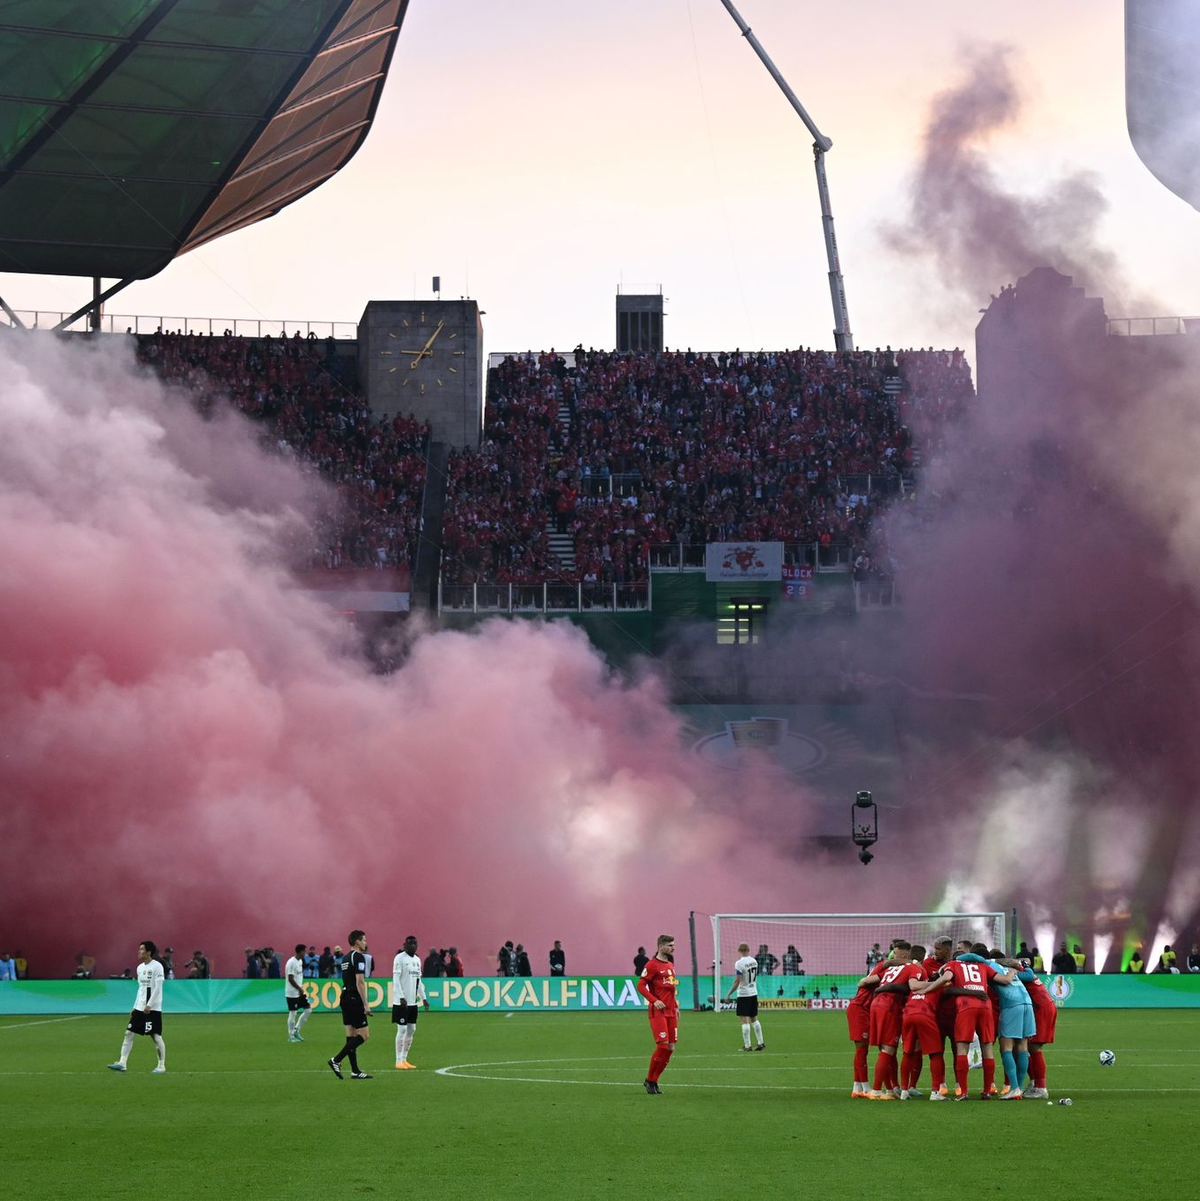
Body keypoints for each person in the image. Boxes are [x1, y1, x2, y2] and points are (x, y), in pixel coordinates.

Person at [938, 949, 1014, 1099]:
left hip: (966, 1006)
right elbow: (1005, 980)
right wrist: (1012, 971)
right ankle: (987, 1091)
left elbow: (946, 978)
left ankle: (964, 1092)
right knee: (987, 1047)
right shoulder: (983, 966)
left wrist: (933, 983)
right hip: (985, 1005)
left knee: (962, 1047)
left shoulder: (953, 964)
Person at [958, 948, 1033, 1099]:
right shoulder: (1009, 967)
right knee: (1022, 1047)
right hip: (1027, 1004)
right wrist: (1015, 965)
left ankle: (1014, 1088)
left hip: (1011, 1005)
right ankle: (1017, 1088)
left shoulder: (987, 964)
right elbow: (1030, 975)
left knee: (1006, 1047)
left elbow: (972, 956)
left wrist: (957, 959)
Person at [107, 940, 166, 1073]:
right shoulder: (140, 968)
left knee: (155, 1036)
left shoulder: (157, 966)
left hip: (153, 1008)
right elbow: (141, 989)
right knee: (129, 1033)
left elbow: (158, 988)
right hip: (140, 1008)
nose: (139, 952)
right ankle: (122, 1062)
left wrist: (149, 1005)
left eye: (141, 949)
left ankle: (161, 1066)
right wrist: (135, 1006)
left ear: (149, 952)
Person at [636, 934, 679, 1094]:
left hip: (671, 1011)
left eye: (673, 945)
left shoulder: (670, 964)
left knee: (671, 1047)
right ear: (660, 946)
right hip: (658, 1012)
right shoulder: (652, 965)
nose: (673, 948)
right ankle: (650, 1080)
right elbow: (640, 986)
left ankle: (653, 1081)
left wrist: (676, 1007)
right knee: (662, 1045)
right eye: (670, 945)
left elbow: (671, 988)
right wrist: (654, 1000)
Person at [328, 930, 373, 1080]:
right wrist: (366, 1004)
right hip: (354, 998)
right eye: (364, 940)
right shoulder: (358, 957)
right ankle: (336, 1060)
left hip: (345, 997)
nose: (365, 943)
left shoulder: (346, 958)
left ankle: (355, 1071)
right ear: (357, 942)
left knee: (351, 1034)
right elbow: (360, 981)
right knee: (364, 1035)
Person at [391, 935, 429, 1070]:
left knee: (412, 1029)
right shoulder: (399, 958)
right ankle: (398, 1060)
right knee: (401, 1029)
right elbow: (395, 979)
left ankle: (405, 1059)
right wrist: (400, 996)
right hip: (401, 1002)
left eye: (415, 944)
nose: (413, 946)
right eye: (410, 944)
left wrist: (424, 998)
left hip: (413, 1002)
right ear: (405, 945)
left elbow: (418, 981)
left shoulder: (417, 960)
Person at [723, 942, 764, 1051]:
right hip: (753, 992)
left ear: (739, 950)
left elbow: (737, 980)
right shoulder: (754, 961)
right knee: (754, 1018)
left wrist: (729, 994)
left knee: (743, 1019)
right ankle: (760, 1043)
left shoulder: (739, 963)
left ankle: (747, 1046)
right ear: (748, 950)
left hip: (744, 993)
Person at [285, 943, 312, 1043]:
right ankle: (291, 1036)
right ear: (300, 952)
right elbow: (290, 978)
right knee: (293, 1013)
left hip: (299, 991)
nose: (305, 953)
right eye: (304, 951)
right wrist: (299, 989)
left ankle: (296, 1030)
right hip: (292, 992)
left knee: (308, 1010)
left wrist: (300, 989)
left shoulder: (300, 961)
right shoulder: (291, 962)